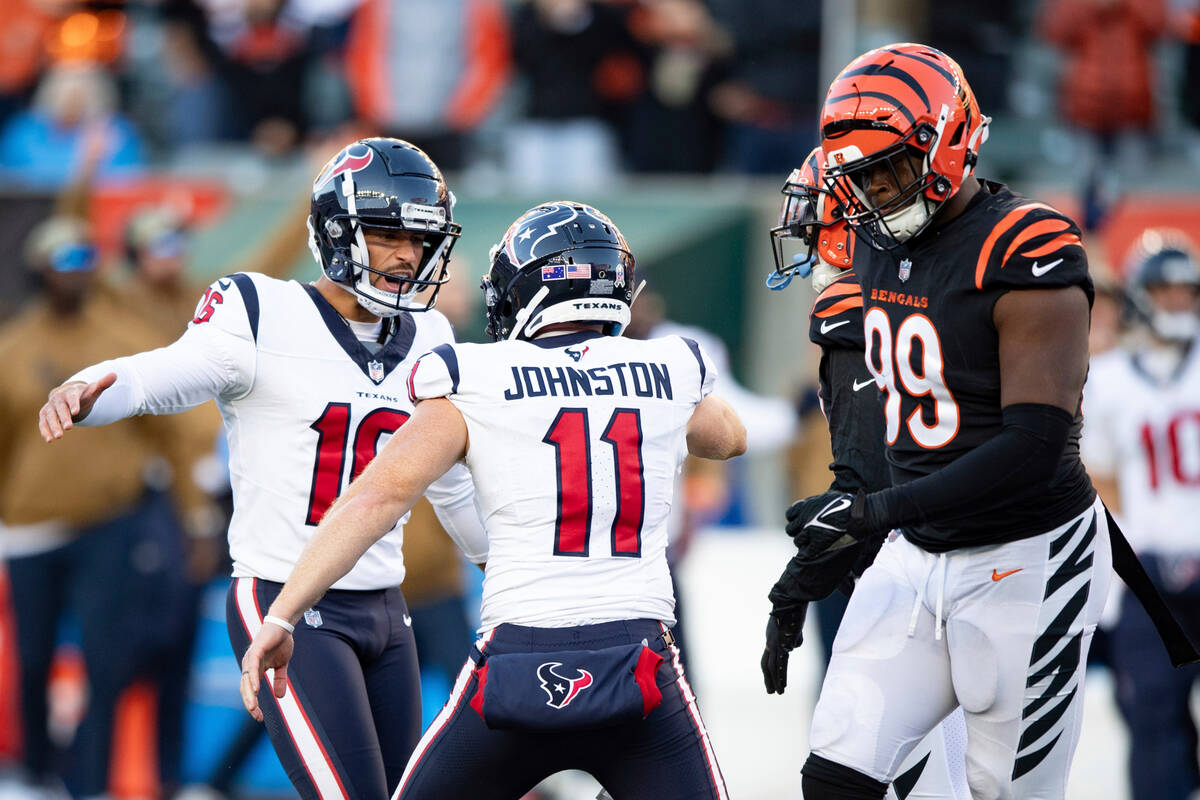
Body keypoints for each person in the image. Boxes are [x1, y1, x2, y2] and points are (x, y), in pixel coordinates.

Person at [239, 200, 745, 800]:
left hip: (515, 663)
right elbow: (730, 438)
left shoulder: (475, 374)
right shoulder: (669, 365)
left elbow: (375, 499)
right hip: (641, 664)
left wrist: (282, 613)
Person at [36, 137, 487, 800]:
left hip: (388, 610)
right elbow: (173, 372)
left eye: (419, 240)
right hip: (285, 600)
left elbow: (447, 480)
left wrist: (508, 577)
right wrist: (98, 384)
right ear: (338, 233)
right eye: (390, 234)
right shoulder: (258, 309)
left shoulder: (431, 336)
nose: (407, 256)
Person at [781, 44, 1114, 800]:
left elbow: (1031, 447)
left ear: (948, 140)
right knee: (837, 779)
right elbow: (863, 412)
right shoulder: (866, 241)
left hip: (1026, 552)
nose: (872, 195)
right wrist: (837, 533)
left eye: (889, 169)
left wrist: (877, 511)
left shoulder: (1026, 246)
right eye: (858, 178)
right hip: (917, 551)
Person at [762, 149, 970, 800]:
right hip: (970, 562)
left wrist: (796, 588)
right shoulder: (936, 287)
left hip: (917, 576)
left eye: (815, 215)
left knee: (874, 774)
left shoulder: (857, 309)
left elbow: (869, 484)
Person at [2, 215, 208, 799]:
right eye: (63, 261)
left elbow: (169, 435)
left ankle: (90, 784)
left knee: (106, 657)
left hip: (110, 523)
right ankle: (37, 775)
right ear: (40, 269)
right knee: (33, 658)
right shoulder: (12, 348)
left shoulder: (121, 336)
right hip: (30, 528)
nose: (76, 273)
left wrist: (193, 517)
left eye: (84, 260)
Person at [1080, 230, 1200, 800]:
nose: (1178, 302)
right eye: (1166, 290)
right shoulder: (1107, 380)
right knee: (1150, 723)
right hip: (1149, 573)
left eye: (1187, 291)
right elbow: (1100, 478)